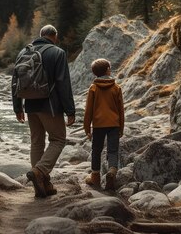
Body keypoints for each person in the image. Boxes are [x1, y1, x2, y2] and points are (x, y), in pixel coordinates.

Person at [12, 24, 76, 198]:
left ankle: (42, 186)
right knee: (58, 139)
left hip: (30, 105)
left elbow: (15, 81)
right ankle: (40, 171)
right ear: (54, 36)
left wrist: (18, 107)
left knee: (37, 143)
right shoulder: (57, 53)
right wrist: (70, 110)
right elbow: (63, 83)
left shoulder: (23, 53)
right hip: (51, 105)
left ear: (40, 35)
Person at [83, 58, 125, 190]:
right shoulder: (116, 88)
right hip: (114, 124)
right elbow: (121, 110)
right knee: (113, 150)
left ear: (95, 73)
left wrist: (87, 128)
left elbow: (88, 110)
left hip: (98, 125)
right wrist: (121, 127)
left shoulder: (93, 88)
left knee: (96, 150)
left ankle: (95, 177)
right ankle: (112, 172)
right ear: (108, 70)